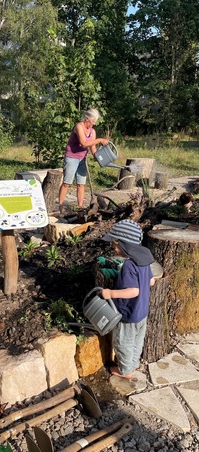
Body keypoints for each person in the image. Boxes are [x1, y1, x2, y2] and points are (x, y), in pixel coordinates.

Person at [101, 219, 155, 379]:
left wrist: (110, 293)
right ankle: (133, 363)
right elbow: (151, 281)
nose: (114, 248)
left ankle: (125, 371)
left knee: (123, 342)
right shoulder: (144, 261)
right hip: (142, 312)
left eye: (115, 244)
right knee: (137, 340)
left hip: (128, 313)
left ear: (124, 244)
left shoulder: (128, 266)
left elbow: (132, 291)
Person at [58, 108, 109, 210]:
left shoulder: (92, 131)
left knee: (81, 184)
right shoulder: (78, 127)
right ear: (86, 119)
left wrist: (96, 156)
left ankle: (80, 207)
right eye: (92, 121)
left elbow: (92, 147)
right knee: (66, 183)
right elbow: (84, 143)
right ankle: (60, 205)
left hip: (82, 158)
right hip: (71, 157)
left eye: (94, 122)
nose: (93, 124)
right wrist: (100, 140)